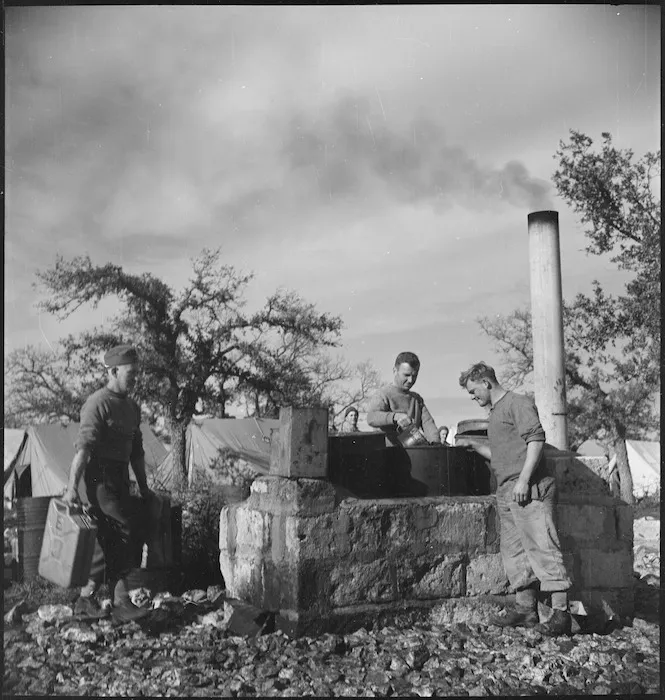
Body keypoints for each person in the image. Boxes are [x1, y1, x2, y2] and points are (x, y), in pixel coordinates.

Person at [456, 361, 572, 636]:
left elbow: (536, 440)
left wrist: (523, 479)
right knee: (515, 552)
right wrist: (473, 445)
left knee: (543, 547)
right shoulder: (495, 414)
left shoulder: (517, 403)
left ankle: (561, 614)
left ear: (486, 381)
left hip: (528, 487)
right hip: (508, 490)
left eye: (474, 391)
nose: (474, 398)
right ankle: (526, 609)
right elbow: (501, 456)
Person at [64, 344, 155, 622]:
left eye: (137, 372)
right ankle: (120, 602)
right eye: (131, 373)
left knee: (117, 534)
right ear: (114, 371)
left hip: (121, 479)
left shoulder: (131, 407)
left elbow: (137, 452)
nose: (136, 378)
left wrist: (144, 486)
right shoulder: (97, 403)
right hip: (99, 478)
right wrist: (71, 488)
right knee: (120, 531)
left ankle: (86, 598)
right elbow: (84, 449)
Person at [367, 351, 440, 446]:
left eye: (415, 376)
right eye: (406, 375)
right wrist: (395, 417)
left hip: (412, 453)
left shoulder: (417, 399)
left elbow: (428, 424)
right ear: (394, 371)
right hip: (386, 453)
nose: (410, 380)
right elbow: (371, 417)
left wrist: (436, 442)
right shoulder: (383, 394)